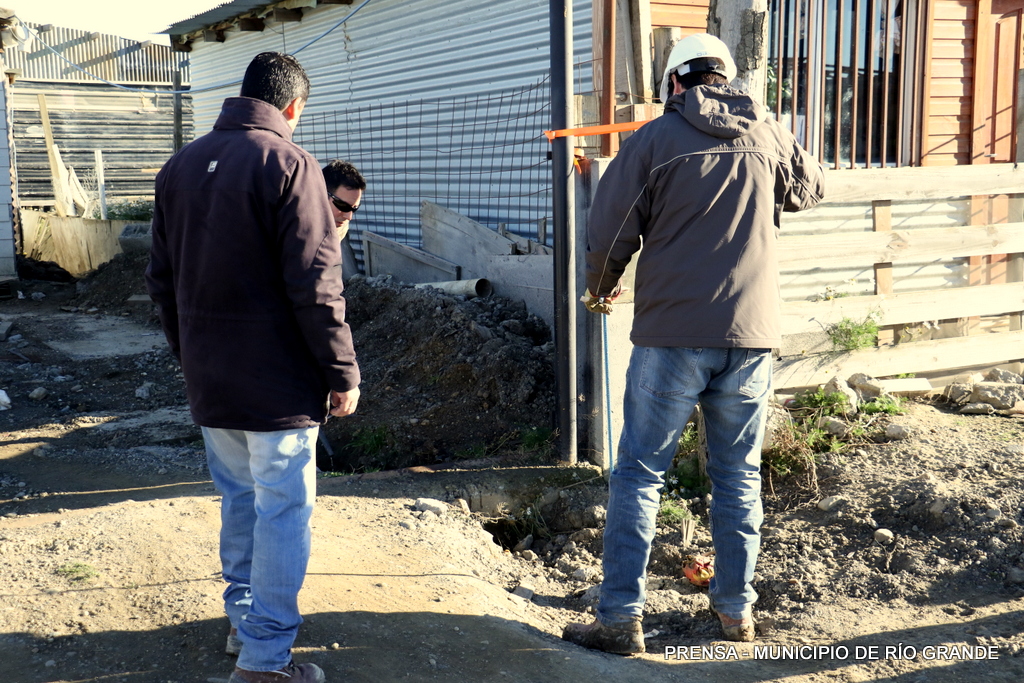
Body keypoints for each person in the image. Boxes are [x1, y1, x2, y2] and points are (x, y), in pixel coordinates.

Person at [562, 33, 825, 655]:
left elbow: (609, 229)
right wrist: (777, 131)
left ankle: (621, 618)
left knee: (640, 473)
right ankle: (736, 612)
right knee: (738, 477)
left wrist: (602, 289)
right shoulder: (768, 132)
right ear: (728, 78)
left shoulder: (654, 140)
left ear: (674, 82)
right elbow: (811, 189)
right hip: (751, 339)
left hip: (672, 339)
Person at [146, 52, 360, 683]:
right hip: (279, 388)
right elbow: (317, 285)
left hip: (212, 379)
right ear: (293, 107)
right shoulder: (291, 164)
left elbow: (161, 282)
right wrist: (341, 372)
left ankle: (246, 629)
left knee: (240, 501)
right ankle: (267, 661)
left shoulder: (179, 165)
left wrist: (191, 356)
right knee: (282, 510)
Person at [321, 159, 365, 277]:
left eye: (354, 208)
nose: (349, 216)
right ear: (320, 194)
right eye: (343, 206)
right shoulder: (293, 223)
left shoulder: (340, 224)